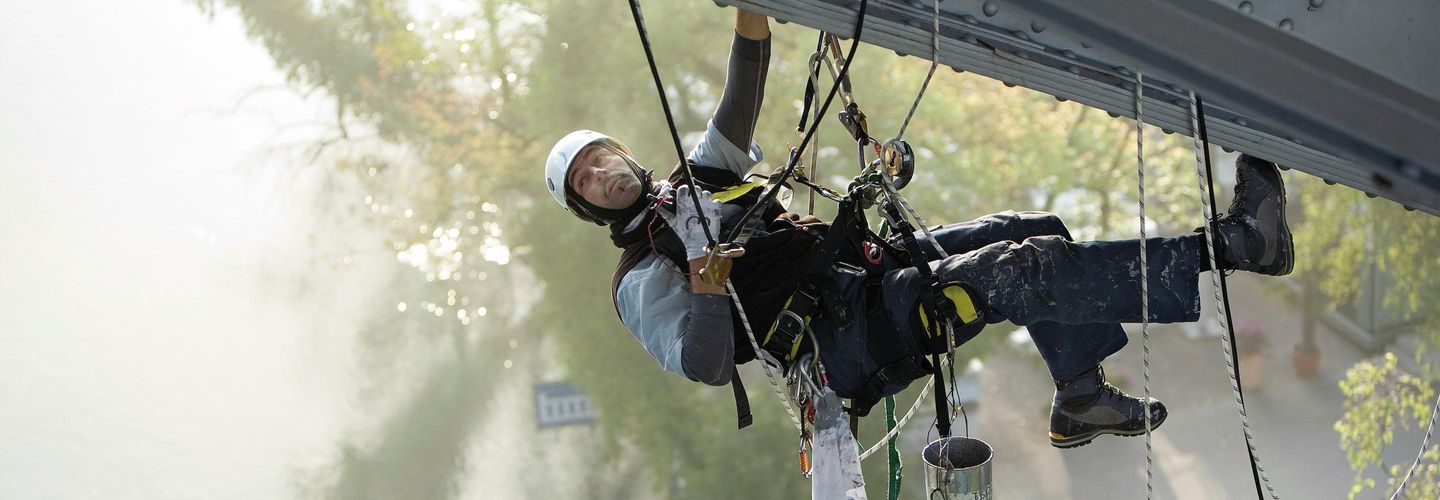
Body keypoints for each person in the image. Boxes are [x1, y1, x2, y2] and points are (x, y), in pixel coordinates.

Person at [542, 9, 1294, 448]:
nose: (603, 174)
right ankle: (1231, 246)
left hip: (863, 283)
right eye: (587, 183)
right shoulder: (641, 278)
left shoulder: (698, 179)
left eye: (602, 158)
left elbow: (742, 96)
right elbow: (705, 365)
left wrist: (751, 12)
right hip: (840, 342)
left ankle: (1078, 394)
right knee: (1018, 270)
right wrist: (707, 290)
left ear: (623, 152)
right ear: (590, 210)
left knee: (1034, 228)